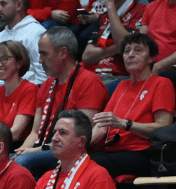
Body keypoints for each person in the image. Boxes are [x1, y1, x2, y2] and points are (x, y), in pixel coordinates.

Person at [13, 28, 109, 178]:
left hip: (68, 152)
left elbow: (80, 137)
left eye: (44, 53)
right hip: (42, 149)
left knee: (21, 163)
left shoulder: (89, 81)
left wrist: (34, 152)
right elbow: (35, 132)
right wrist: (21, 151)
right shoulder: (46, 85)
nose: (39, 60)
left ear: (63, 53)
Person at [88, 33, 175, 178]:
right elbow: (101, 126)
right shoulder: (122, 85)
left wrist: (126, 124)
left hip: (141, 152)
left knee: (91, 165)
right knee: (69, 163)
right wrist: (79, 145)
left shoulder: (161, 83)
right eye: (127, 51)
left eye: (138, 50)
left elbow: (163, 128)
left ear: (152, 58)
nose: (130, 55)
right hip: (112, 151)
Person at [80, 0, 147, 79]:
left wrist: (110, 5)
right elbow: (86, 56)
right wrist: (114, 48)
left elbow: (125, 45)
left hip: (118, 76)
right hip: (93, 75)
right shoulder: (103, 17)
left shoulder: (143, 10)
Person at [0, 0, 47, 94]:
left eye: (3, 4)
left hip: (25, 91)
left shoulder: (35, 32)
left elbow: (43, 75)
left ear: (18, 5)